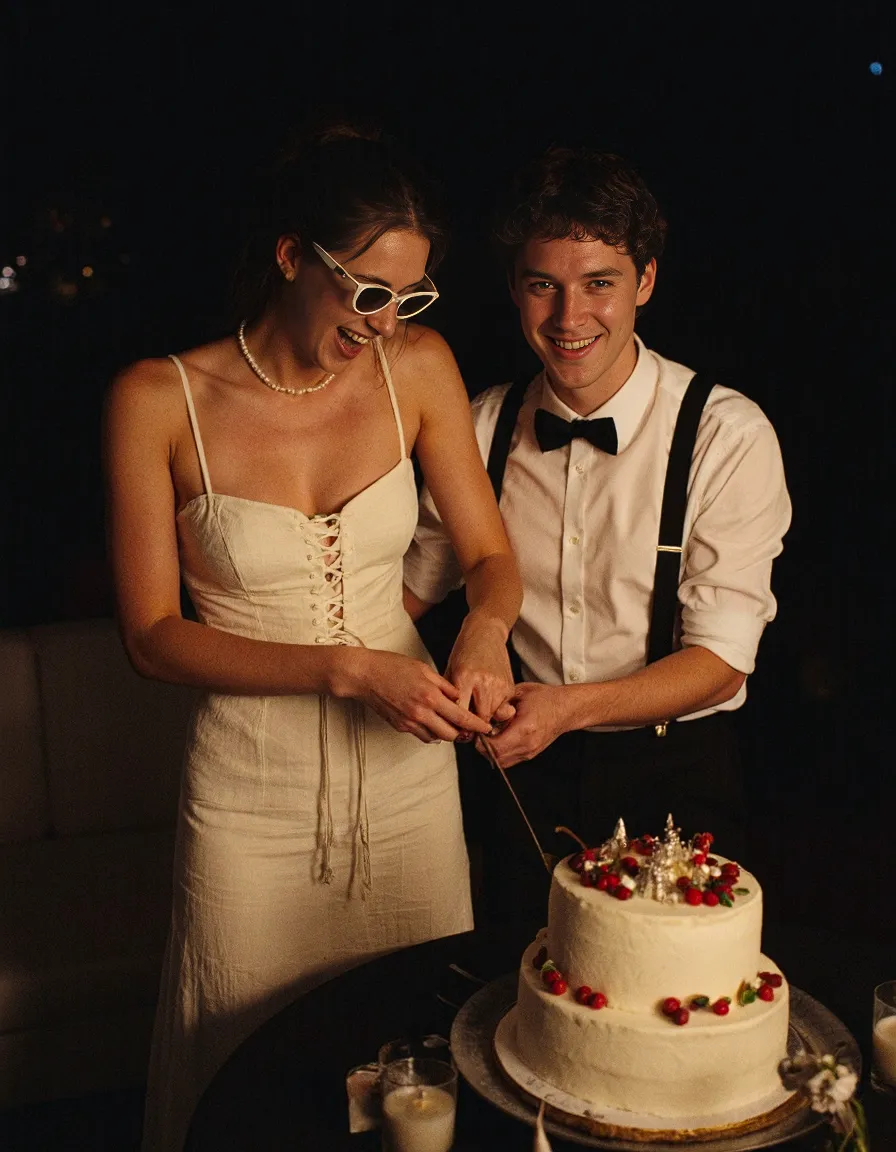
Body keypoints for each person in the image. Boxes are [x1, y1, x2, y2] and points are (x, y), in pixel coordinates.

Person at [102, 123, 521, 1151]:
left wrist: (484, 632)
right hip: (250, 794)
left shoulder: (417, 369)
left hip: (411, 773)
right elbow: (153, 638)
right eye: (364, 292)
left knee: (417, 1057)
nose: (384, 322)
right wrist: (342, 667)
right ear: (292, 255)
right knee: (245, 1067)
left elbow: (491, 559)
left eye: (408, 297)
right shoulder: (157, 400)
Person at [403, 145, 791, 923]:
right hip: (518, 777)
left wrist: (567, 708)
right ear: (516, 289)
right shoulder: (480, 424)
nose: (569, 317)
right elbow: (408, 595)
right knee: (518, 1010)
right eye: (543, 285)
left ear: (645, 281)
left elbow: (720, 662)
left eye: (599, 284)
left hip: (674, 769)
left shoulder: (726, 433)